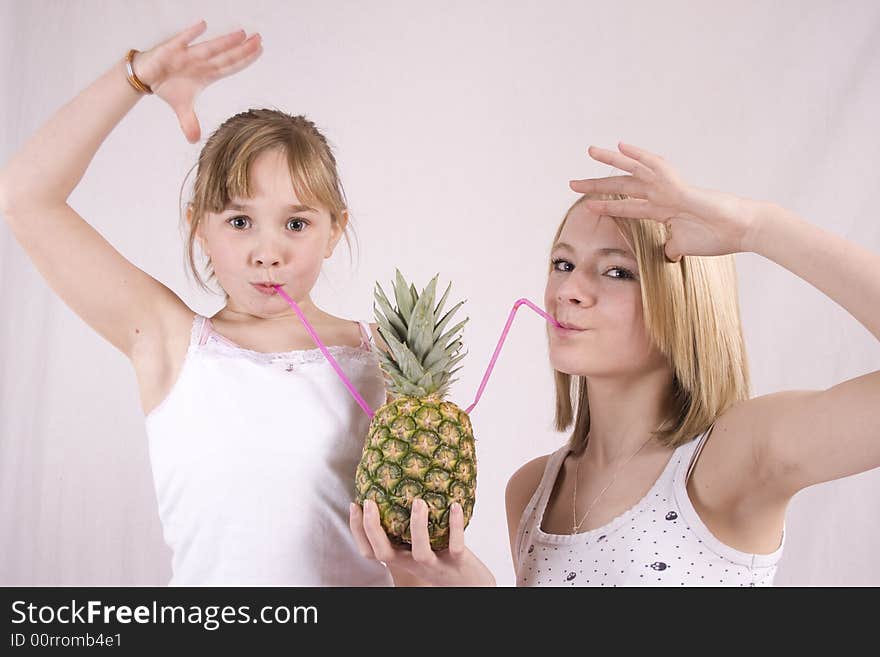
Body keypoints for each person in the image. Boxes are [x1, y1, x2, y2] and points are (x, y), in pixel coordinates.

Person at [350, 142, 880, 586]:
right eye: (563, 263)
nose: (570, 291)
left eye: (618, 272)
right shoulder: (532, 491)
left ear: (683, 298)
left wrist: (754, 227)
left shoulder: (731, 455)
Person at [0, 21, 393, 586]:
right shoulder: (171, 343)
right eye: (239, 221)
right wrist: (136, 77)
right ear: (199, 230)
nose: (267, 252)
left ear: (334, 231)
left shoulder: (386, 357)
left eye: (297, 223)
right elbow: (24, 198)